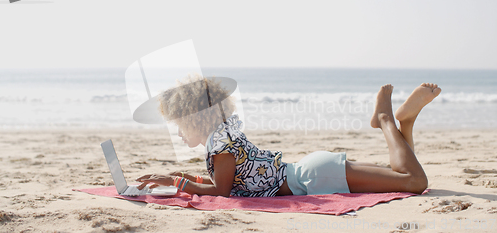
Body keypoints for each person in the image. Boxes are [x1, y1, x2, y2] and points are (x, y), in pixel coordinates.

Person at [136, 76, 441, 197]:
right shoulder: (223, 137)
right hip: (310, 171)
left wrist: (176, 183)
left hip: (311, 180)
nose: (177, 130)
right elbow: (227, 182)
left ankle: (386, 119)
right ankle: (408, 124)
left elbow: (221, 193)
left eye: (180, 122)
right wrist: (180, 176)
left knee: (413, 183)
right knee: (400, 176)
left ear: (196, 118)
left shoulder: (221, 147)